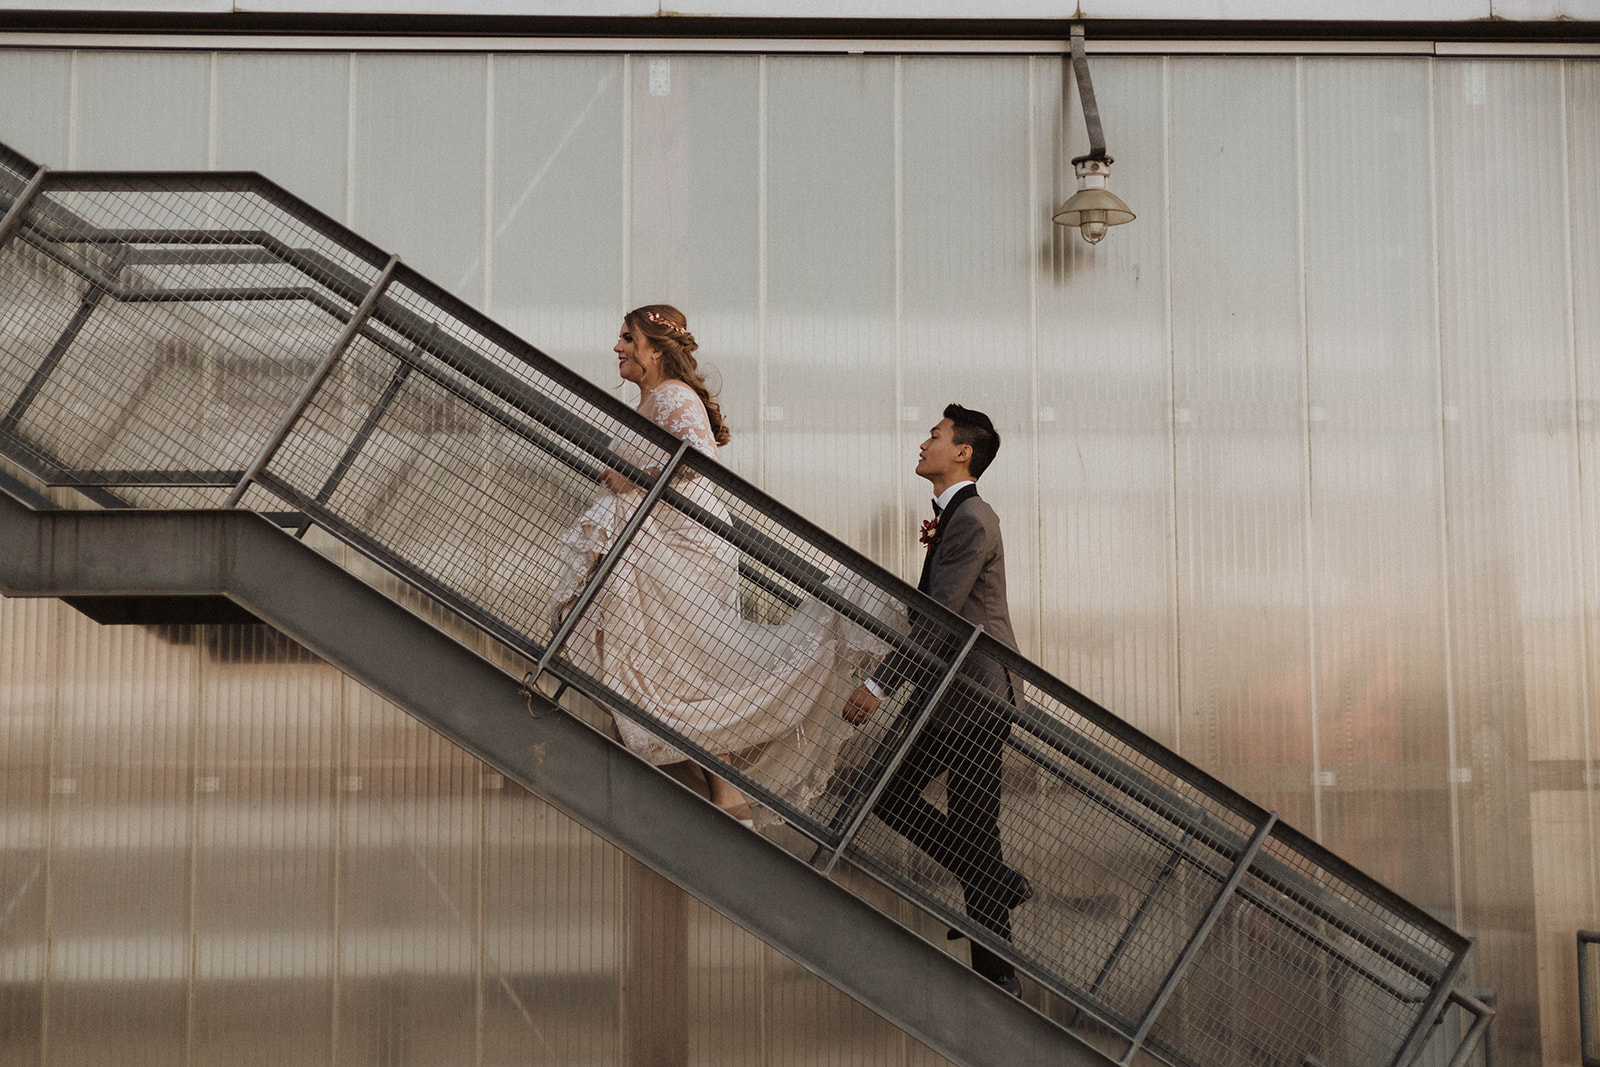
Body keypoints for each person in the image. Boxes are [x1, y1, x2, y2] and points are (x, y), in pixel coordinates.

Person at [551, 304, 898, 828]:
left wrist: (632, 477)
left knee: (686, 666)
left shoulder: (672, 396)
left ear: (655, 348)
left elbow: (696, 457)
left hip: (681, 545)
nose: (617, 347)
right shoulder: (652, 399)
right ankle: (725, 785)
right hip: (661, 540)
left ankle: (727, 785)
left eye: (627, 338)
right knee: (677, 666)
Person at [840, 404, 1031, 995]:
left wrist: (879, 682)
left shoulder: (972, 518)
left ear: (963, 453)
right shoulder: (959, 517)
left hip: (974, 694)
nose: (924, 443)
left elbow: (942, 613)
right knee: (971, 828)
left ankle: (997, 959)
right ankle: (996, 947)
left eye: (936, 435)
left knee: (899, 796)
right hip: (958, 692)